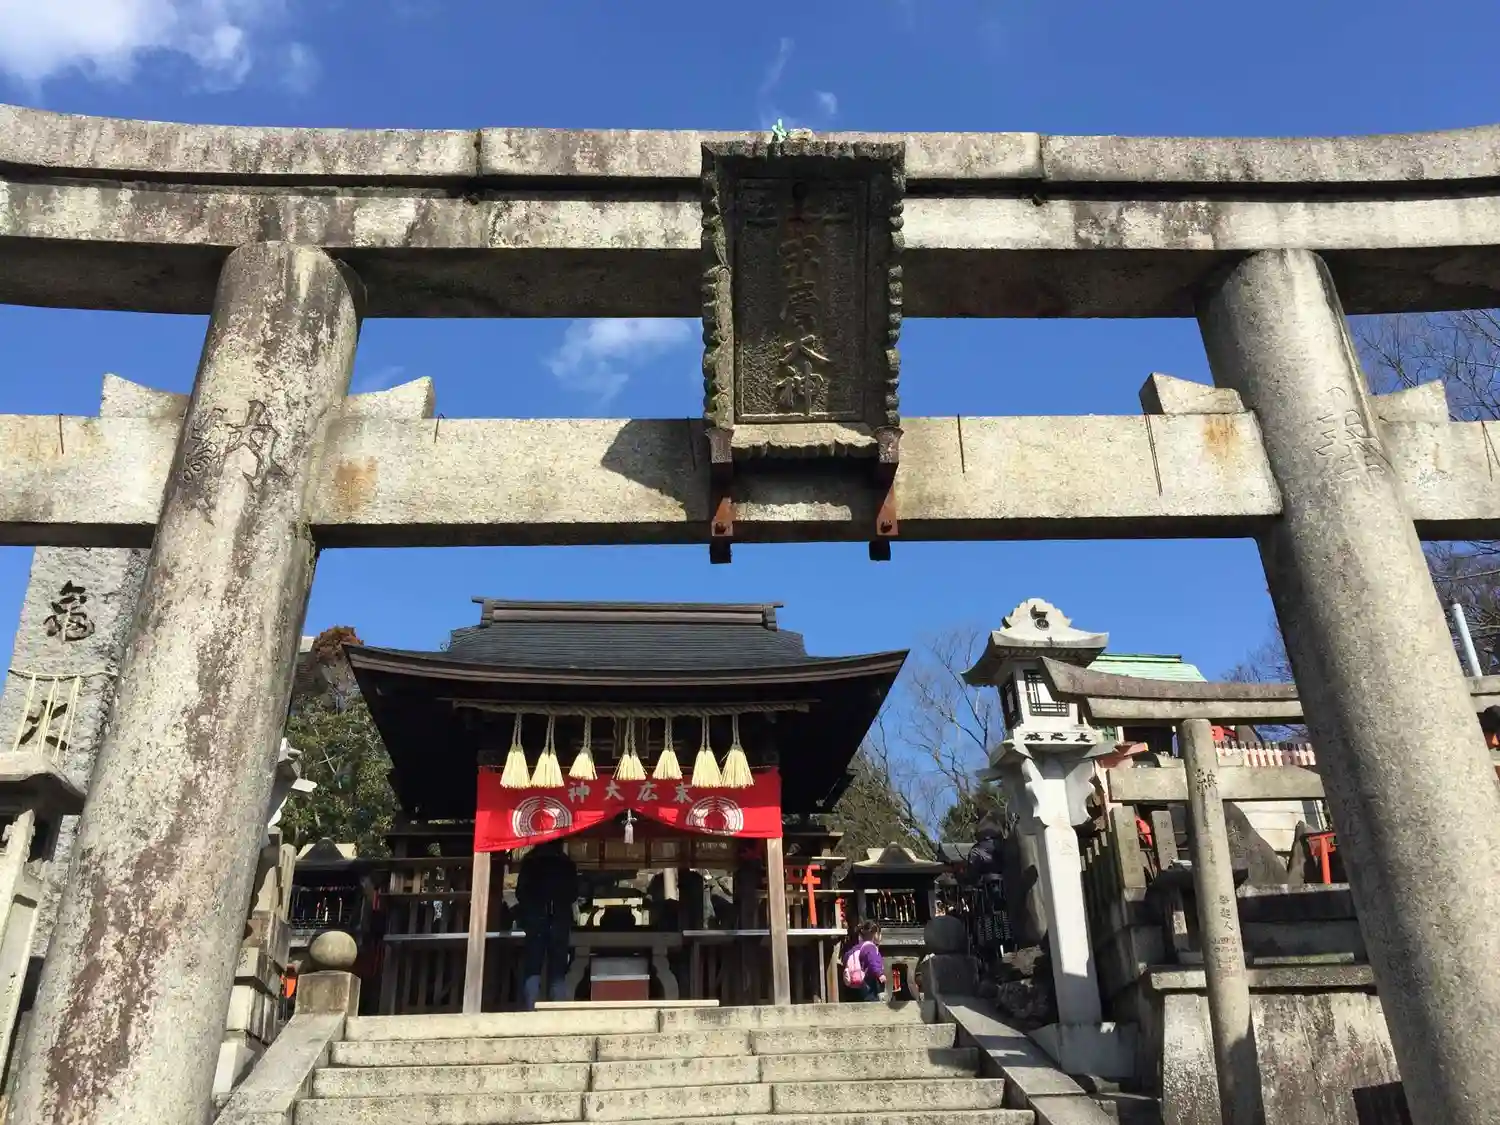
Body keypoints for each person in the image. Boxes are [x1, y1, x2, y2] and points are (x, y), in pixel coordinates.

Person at [514, 839, 579, 1010]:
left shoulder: (530, 862)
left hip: (535, 919)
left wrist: (532, 906)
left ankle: (530, 1008)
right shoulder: (566, 863)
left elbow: (520, 893)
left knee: (533, 968)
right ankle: (557, 1010)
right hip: (559, 919)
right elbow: (573, 893)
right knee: (558, 971)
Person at [840, 919, 887, 1002]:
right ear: (875, 934)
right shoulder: (871, 947)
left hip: (856, 983)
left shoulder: (855, 948)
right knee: (872, 1001)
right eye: (880, 934)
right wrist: (880, 974)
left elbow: (845, 958)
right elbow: (873, 962)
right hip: (868, 982)